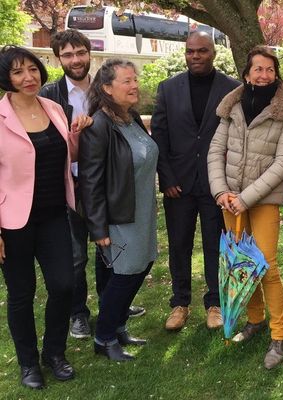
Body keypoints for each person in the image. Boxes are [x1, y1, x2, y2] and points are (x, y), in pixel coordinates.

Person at [40, 29, 145, 341]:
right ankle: (78, 314)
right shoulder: (50, 95)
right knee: (76, 256)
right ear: (58, 58)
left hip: (105, 183)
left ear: (89, 53)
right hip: (69, 185)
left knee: (108, 249)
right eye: (68, 55)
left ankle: (110, 305)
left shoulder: (103, 90)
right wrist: (74, 135)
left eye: (80, 53)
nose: (76, 60)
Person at [0, 46, 91, 389]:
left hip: (54, 214)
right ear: (6, 78)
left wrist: (77, 136)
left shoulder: (53, 108)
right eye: (18, 72)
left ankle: (55, 353)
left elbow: (69, 156)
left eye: (33, 69)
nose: (28, 77)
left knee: (64, 285)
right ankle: (28, 363)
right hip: (13, 223)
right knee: (21, 294)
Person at [207, 46, 283, 369]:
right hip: (229, 201)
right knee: (240, 265)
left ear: (276, 74)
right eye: (257, 69)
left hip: (262, 202)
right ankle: (255, 319)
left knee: (266, 266)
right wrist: (221, 191)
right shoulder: (232, 105)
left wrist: (246, 197)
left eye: (270, 69)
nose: (263, 74)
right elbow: (215, 150)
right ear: (246, 74)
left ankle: (279, 335)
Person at [152, 31, 239, 331]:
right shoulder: (168, 88)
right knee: (179, 244)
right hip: (179, 183)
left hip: (217, 184)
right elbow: (159, 136)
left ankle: (214, 302)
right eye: (190, 52)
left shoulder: (231, 89)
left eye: (202, 51)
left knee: (216, 243)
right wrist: (167, 177)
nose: (195, 56)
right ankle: (180, 302)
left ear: (214, 53)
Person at [79, 59, 158, 361]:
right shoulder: (99, 125)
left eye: (134, 79)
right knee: (125, 274)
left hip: (143, 211)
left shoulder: (132, 118)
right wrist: (98, 228)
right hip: (118, 217)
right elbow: (90, 181)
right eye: (126, 81)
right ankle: (104, 337)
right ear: (107, 88)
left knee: (143, 265)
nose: (134, 85)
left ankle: (119, 325)